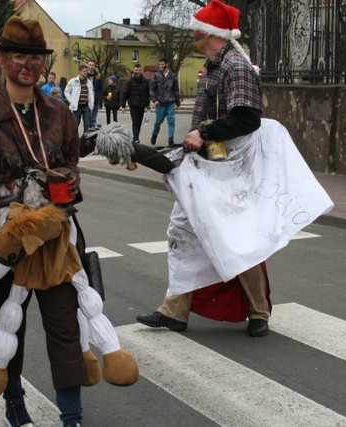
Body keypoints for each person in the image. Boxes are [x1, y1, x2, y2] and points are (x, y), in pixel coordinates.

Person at [0, 17, 89, 427]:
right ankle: (16, 407)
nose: (28, 65)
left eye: (35, 57)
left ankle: (72, 416)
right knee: (9, 332)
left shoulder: (60, 113)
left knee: (66, 325)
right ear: (2, 59)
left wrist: (66, 185)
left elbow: (71, 164)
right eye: (19, 56)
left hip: (53, 234)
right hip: (4, 239)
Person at [136, 0, 272, 337]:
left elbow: (247, 118)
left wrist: (205, 132)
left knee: (234, 238)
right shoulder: (215, 66)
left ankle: (258, 312)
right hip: (207, 166)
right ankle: (174, 310)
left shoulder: (236, 67)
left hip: (227, 169)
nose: (194, 37)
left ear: (211, 34)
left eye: (198, 32)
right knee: (182, 231)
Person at [150, 58, 180, 147]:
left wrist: (177, 102)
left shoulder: (173, 76)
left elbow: (176, 90)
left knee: (171, 121)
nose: (161, 66)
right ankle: (154, 134)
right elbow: (152, 90)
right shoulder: (156, 75)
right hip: (160, 103)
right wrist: (154, 100)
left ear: (167, 64)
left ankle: (171, 140)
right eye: (159, 64)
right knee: (158, 122)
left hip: (170, 102)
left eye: (162, 64)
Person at [120, 64, 150, 144]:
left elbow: (147, 93)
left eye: (139, 70)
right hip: (133, 105)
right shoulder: (129, 81)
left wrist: (148, 104)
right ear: (134, 70)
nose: (138, 72)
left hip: (142, 105)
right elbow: (125, 93)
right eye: (136, 70)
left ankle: (136, 137)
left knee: (139, 122)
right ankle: (136, 138)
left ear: (141, 71)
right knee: (135, 122)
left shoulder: (145, 81)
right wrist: (123, 105)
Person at [64, 64, 93, 133]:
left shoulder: (89, 82)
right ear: (79, 72)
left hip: (86, 106)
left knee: (87, 124)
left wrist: (91, 104)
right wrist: (71, 101)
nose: (86, 72)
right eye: (84, 71)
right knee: (75, 124)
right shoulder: (73, 81)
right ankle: (75, 140)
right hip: (77, 107)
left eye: (87, 71)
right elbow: (66, 91)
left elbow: (91, 94)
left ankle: (85, 140)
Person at [86, 60, 103, 127]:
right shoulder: (85, 75)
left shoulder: (98, 76)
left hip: (95, 100)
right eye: (89, 65)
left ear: (94, 66)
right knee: (87, 118)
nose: (91, 66)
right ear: (87, 65)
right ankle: (87, 134)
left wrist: (99, 98)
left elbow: (101, 88)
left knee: (93, 119)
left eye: (92, 65)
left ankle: (92, 134)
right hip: (86, 100)